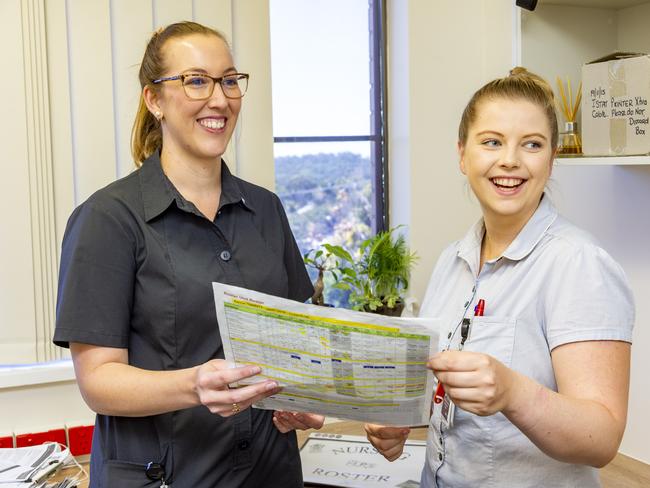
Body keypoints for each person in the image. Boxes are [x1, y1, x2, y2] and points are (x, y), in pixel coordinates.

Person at [54, 21, 323, 487]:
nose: (219, 99)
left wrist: (301, 395)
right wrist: (193, 385)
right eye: (196, 80)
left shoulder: (266, 209)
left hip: (269, 471)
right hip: (168, 476)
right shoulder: (108, 218)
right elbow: (98, 382)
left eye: (230, 80)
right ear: (153, 99)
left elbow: (296, 339)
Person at [365, 68, 634, 487]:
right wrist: (401, 424)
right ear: (462, 154)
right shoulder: (451, 261)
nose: (509, 159)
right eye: (491, 142)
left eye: (532, 144)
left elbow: (601, 439)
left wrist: (513, 393)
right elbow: (452, 406)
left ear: (552, 157)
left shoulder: (579, 264)